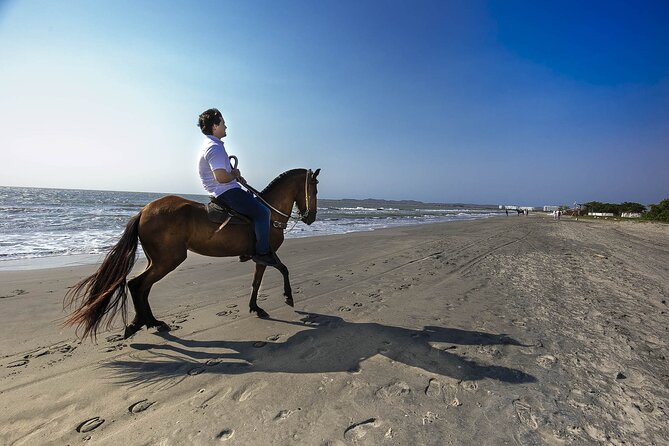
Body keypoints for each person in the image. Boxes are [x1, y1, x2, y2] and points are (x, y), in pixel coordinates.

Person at [197, 108, 277, 267]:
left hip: (224, 189)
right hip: (226, 191)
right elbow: (220, 177)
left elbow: (222, 174)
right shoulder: (215, 147)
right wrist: (234, 175)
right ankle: (262, 253)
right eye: (223, 123)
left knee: (254, 206)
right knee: (263, 212)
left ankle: (247, 249)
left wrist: (234, 174)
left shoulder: (212, 144)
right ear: (215, 126)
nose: (226, 127)